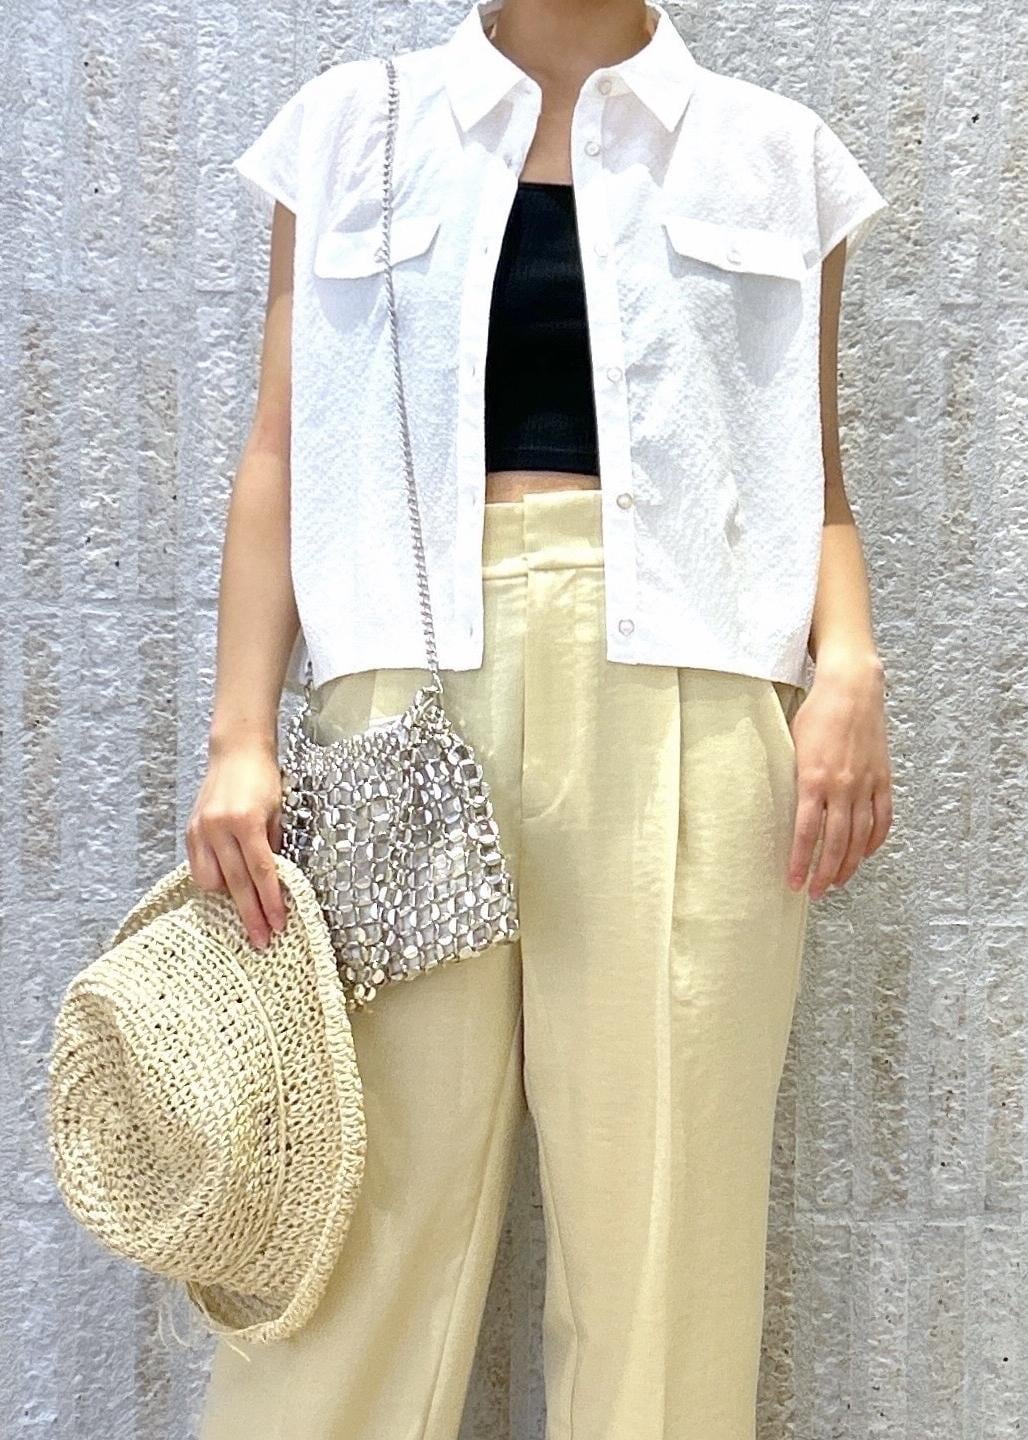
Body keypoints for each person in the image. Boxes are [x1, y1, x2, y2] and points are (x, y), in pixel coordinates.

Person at [192, 1, 894, 1435]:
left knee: (666, 1235)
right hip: (400, 705)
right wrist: (240, 734)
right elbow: (277, 448)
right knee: (354, 1209)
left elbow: (809, 472)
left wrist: (853, 665)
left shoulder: (777, 156)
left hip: (690, 702)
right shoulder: (350, 132)